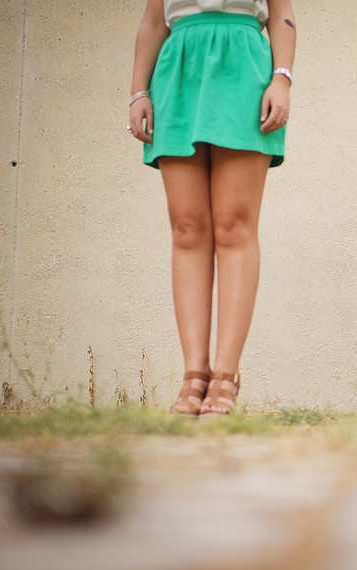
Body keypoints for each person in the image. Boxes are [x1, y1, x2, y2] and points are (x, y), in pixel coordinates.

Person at [127, 0, 295, 415]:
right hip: (177, 71)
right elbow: (152, 21)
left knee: (234, 225)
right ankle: (193, 375)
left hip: (244, 68)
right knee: (187, 228)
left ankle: (224, 376)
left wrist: (282, 79)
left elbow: (282, 14)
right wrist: (138, 91)